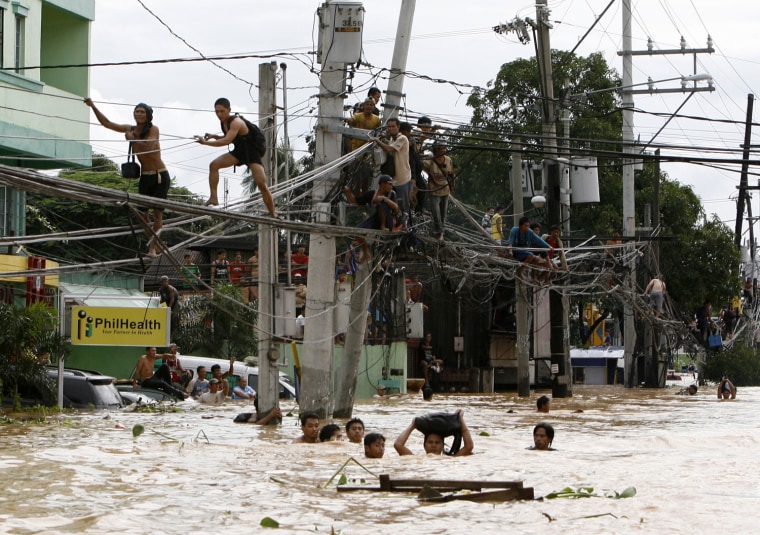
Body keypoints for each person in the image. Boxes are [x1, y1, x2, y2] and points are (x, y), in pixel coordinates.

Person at [84, 99, 169, 258]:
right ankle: (155, 241)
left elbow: (149, 147)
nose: (139, 114)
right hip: (145, 176)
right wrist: (93, 106)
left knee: (157, 214)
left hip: (159, 175)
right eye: (137, 111)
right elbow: (108, 123)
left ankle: (152, 247)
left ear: (148, 115)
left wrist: (133, 138)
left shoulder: (153, 129)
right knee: (142, 214)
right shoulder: (130, 129)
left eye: (142, 112)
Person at [194, 97, 276, 217]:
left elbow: (227, 140)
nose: (219, 114)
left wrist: (205, 143)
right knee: (213, 165)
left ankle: (273, 214)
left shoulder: (236, 122)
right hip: (239, 152)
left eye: (222, 111)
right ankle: (213, 198)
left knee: (262, 185)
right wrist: (214, 136)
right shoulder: (224, 123)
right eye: (216, 112)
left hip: (252, 153)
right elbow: (228, 137)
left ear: (229, 110)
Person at [370, 118, 411, 217]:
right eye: (389, 126)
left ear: (398, 127)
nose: (391, 129)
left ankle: (405, 226)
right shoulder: (393, 139)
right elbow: (388, 144)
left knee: (402, 206)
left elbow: (388, 149)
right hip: (393, 179)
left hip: (402, 179)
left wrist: (376, 140)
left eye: (393, 126)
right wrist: (382, 139)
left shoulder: (402, 138)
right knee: (391, 205)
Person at [394, 410, 474, 456]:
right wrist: (413, 424)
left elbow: (469, 446)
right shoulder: (417, 459)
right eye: (430, 442)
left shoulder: (451, 459)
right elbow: (398, 445)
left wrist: (460, 419)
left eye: (437, 442)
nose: (433, 445)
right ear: (424, 445)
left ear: (443, 445)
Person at [422, 142, 456, 241]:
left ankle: (441, 233)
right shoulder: (429, 161)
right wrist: (425, 155)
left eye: (445, 148)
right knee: (436, 214)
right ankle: (439, 231)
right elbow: (420, 162)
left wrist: (453, 183)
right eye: (442, 148)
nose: (444, 150)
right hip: (434, 190)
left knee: (443, 214)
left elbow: (451, 173)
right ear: (437, 150)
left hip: (445, 190)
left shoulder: (448, 160)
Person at [507, 217, 553, 283]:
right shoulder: (514, 230)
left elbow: (539, 240)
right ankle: (519, 272)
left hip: (524, 252)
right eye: (525, 226)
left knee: (536, 258)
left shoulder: (529, 232)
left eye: (528, 226)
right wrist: (510, 251)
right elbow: (510, 242)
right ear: (520, 225)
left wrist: (549, 246)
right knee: (530, 255)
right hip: (515, 251)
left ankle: (533, 276)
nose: (527, 228)